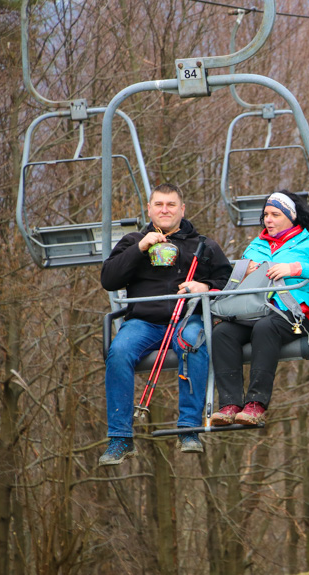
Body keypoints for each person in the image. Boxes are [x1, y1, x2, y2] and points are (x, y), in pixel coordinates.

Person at [100, 183, 233, 465]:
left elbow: (228, 283)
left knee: (193, 343)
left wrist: (204, 286)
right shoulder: (132, 241)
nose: (164, 210)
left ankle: (188, 428)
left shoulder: (204, 246)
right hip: (143, 322)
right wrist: (140, 248)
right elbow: (109, 280)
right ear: (149, 209)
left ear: (182, 209)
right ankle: (120, 438)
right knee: (119, 352)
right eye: (158, 204)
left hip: (187, 319)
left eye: (171, 205)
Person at [210, 191, 309, 426]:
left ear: (292, 217)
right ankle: (229, 404)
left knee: (265, 328)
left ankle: (256, 404)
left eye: (275, 215)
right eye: (266, 215)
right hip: (254, 309)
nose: (268, 220)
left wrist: (295, 268)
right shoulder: (256, 245)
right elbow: (239, 278)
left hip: (293, 313)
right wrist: (243, 271)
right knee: (222, 333)